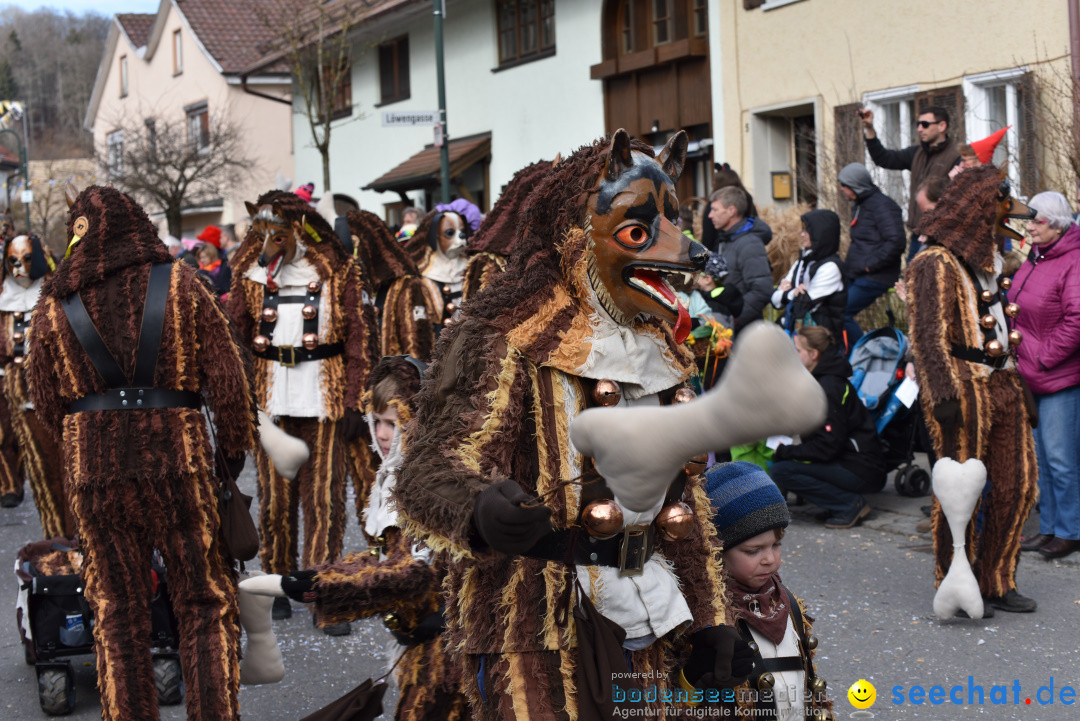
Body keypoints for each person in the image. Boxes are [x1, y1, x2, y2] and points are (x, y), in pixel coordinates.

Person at [395, 132, 749, 719]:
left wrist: (712, 618)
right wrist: (481, 508)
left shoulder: (663, 346)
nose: (684, 251)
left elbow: (685, 509)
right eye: (637, 233)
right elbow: (425, 473)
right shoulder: (500, 335)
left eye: (670, 223)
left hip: (655, 612)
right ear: (578, 237)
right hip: (534, 622)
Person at [28, 185, 257, 721]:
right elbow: (228, 381)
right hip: (178, 460)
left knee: (116, 612)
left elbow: (44, 405)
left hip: (95, 469)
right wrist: (234, 449)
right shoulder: (181, 282)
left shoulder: (55, 304)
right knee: (205, 603)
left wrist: (81, 444)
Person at [251, 355, 469, 720]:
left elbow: (410, 575)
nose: (382, 434)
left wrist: (325, 587)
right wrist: (319, 578)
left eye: (393, 423)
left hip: (448, 652)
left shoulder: (427, 484)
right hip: (423, 643)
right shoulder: (394, 472)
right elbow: (389, 562)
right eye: (377, 422)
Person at [226, 190, 380, 635]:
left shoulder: (339, 272)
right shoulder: (249, 275)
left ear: (297, 232)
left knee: (325, 501)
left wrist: (355, 399)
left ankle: (322, 592)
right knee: (275, 504)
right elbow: (233, 335)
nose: (267, 243)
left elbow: (359, 340)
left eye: (277, 234)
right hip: (271, 401)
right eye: (262, 233)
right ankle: (277, 583)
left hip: (323, 401)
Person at [905, 165, 1039, 614]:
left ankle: (997, 577)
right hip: (963, 386)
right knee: (958, 490)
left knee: (1017, 483)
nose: (1015, 214)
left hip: (1004, 381)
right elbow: (927, 335)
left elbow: (1002, 328)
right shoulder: (933, 263)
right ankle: (954, 578)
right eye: (1004, 204)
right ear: (981, 209)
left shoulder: (991, 264)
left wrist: (1022, 387)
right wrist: (942, 394)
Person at [705, 462, 832, 720]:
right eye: (753, 550)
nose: (770, 559)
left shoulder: (789, 605)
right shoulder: (708, 619)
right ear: (717, 550)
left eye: (776, 545)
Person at [1009, 192, 1080, 560]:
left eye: (1036, 222)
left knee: (1061, 459)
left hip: (1057, 377)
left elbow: (1077, 320)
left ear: (1056, 225)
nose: (1030, 227)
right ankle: (1049, 527)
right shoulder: (1036, 257)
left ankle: (1071, 530)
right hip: (1029, 374)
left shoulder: (1074, 261)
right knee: (1042, 461)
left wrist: (1043, 357)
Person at [770, 326, 886, 528]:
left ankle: (849, 505)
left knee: (782, 470)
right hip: (849, 459)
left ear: (814, 354)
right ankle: (837, 503)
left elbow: (828, 446)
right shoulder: (820, 379)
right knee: (786, 463)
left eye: (797, 351)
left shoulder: (828, 387)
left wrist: (786, 451)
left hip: (861, 467)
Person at [0, 234, 69, 536]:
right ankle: (13, 488)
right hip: (10, 386)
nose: (20, 268)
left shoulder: (54, 292)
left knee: (63, 462)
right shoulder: (3, 296)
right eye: (13, 261)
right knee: (13, 444)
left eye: (26, 260)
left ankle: (72, 534)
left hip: (51, 389)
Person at [860, 105, 961, 259]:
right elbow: (884, 158)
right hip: (917, 235)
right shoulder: (916, 153)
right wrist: (869, 129)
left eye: (925, 124)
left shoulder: (956, 157)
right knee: (911, 280)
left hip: (941, 237)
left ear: (942, 126)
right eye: (918, 124)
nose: (920, 129)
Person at [837, 162, 906, 345]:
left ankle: (863, 352)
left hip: (876, 276)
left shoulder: (882, 206)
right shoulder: (861, 204)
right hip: (859, 273)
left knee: (842, 312)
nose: (842, 190)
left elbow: (896, 241)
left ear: (856, 186)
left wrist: (870, 264)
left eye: (845, 185)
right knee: (833, 309)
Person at [770, 209, 846, 344]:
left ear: (821, 233)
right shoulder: (803, 260)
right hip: (799, 337)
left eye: (807, 231)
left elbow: (803, 305)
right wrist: (792, 293)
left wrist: (786, 293)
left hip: (823, 343)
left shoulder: (832, 267)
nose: (802, 235)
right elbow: (775, 300)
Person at [707, 186, 773, 335]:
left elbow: (762, 289)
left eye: (715, 210)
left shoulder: (750, 244)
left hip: (744, 332)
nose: (710, 215)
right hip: (727, 328)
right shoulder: (726, 239)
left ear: (731, 211)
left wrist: (733, 319)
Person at [700, 162, 759, 252]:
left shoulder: (714, 204)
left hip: (720, 255)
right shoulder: (748, 200)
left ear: (732, 210)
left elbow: (708, 238)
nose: (711, 215)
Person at [196, 225, 232, 297]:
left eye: (204, 257)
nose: (202, 260)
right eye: (200, 258)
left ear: (211, 255)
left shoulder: (224, 265)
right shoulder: (201, 272)